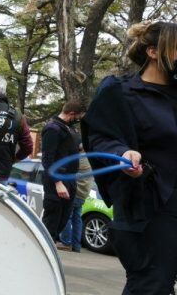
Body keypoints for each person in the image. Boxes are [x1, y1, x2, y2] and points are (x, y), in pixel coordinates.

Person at [82, 21, 177, 293]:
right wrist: (122, 154)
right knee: (152, 285)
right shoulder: (119, 91)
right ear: (153, 52)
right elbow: (100, 136)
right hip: (148, 206)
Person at [40, 101, 86, 250]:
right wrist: (57, 182)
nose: (79, 119)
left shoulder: (70, 129)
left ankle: (50, 247)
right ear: (72, 114)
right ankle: (43, 251)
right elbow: (47, 159)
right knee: (52, 220)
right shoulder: (52, 129)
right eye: (78, 116)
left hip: (71, 179)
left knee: (64, 218)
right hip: (57, 181)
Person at [59, 151, 92, 252]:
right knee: (77, 218)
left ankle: (66, 242)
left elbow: (68, 169)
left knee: (67, 216)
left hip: (75, 192)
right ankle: (76, 245)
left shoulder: (80, 157)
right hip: (83, 193)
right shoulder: (89, 158)